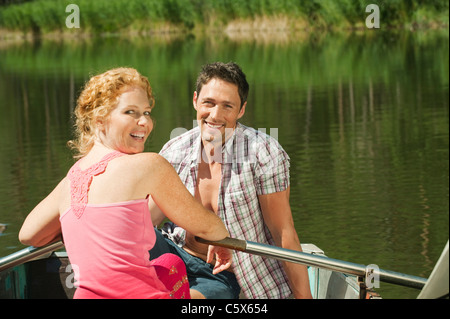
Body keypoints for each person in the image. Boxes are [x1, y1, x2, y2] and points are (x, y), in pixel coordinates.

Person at [18, 67, 232, 299]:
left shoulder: (69, 182)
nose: (144, 122)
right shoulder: (149, 165)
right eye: (131, 112)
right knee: (216, 287)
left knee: (170, 263)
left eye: (147, 112)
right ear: (99, 119)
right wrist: (221, 238)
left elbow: (29, 235)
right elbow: (209, 228)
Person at [150, 62, 312, 299]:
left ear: (241, 110)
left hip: (223, 274)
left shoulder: (263, 152)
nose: (215, 115)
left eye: (227, 106)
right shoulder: (175, 150)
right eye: (209, 103)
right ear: (195, 100)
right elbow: (147, 220)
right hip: (175, 254)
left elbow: (283, 233)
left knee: (209, 296)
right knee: (130, 234)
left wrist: (304, 298)